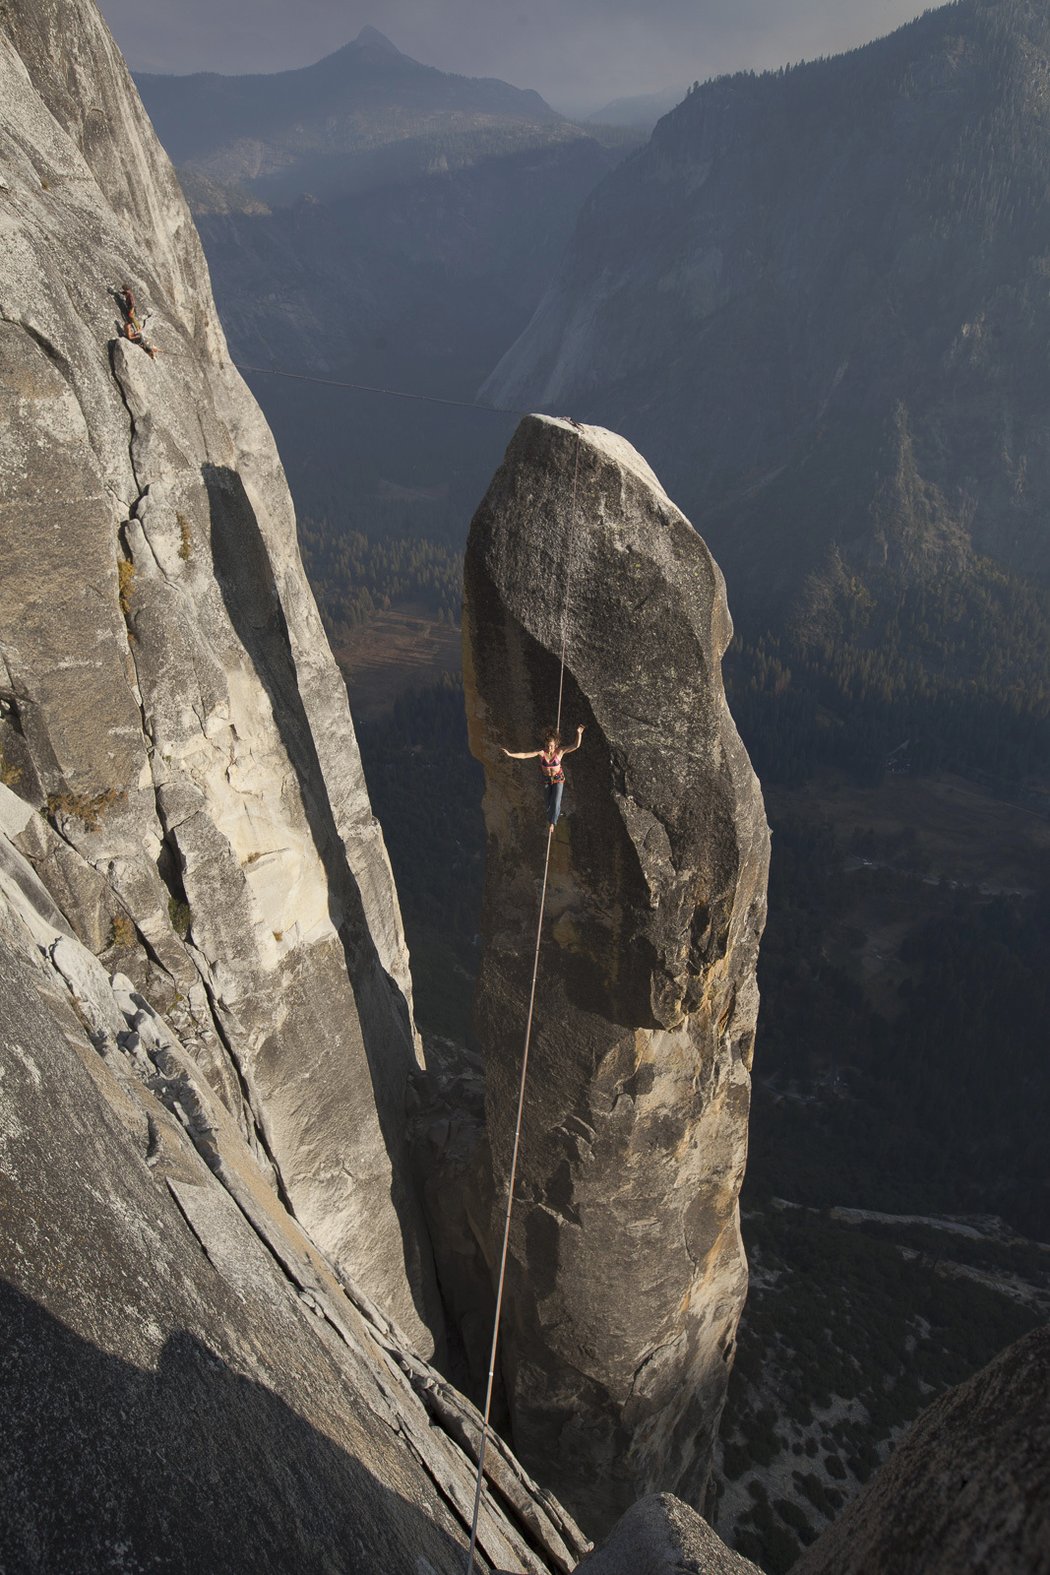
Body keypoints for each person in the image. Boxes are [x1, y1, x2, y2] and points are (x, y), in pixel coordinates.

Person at [502, 724, 585, 828]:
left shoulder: (560, 752)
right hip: (547, 779)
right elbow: (524, 755)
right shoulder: (541, 753)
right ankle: (557, 813)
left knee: (556, 800)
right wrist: (510, 754)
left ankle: (552, 823)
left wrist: (579, 733)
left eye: (551, 746)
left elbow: (575, 745)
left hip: (558, 778)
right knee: (547, 804)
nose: (549, 748)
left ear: (555, 745)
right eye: (547, 745)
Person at [116, 284, 160, 359]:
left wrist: (131, 311)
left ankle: (138, 328)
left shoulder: (130, 296)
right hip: (135, 337)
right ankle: (151, 351)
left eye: (124, 290)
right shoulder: (128, 293)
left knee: (133, 318)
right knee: (143, 343)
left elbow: (132, 304)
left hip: (131, 308)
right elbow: (130, 336)